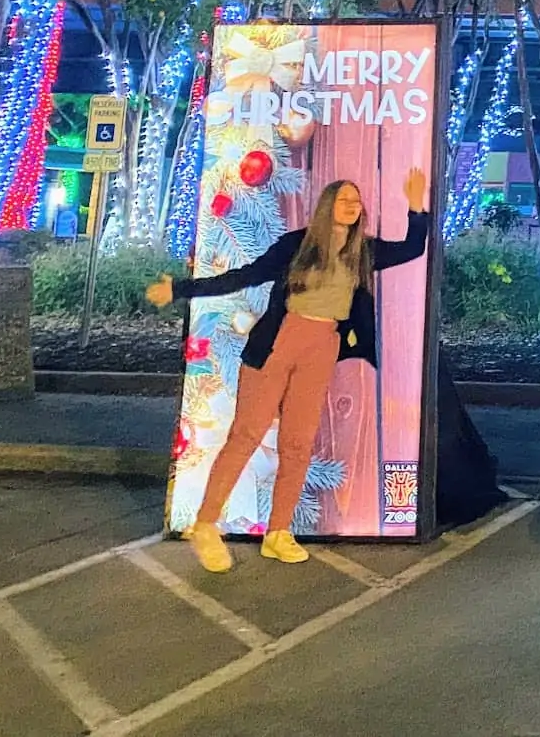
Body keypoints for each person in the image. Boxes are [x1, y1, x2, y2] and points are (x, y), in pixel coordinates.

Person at [147, 168, 431, 573]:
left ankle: (278, 532)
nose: (352, 206)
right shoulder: (297, 245)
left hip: (322, 347)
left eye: (356, 201)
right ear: (327, 205)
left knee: (298, 443)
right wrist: (180, 288)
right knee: (247, 434)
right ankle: (206, 524)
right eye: (344, 199)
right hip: (278, 344)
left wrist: (415, 206)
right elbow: (245, 276)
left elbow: (412, 249)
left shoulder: (362, 251)